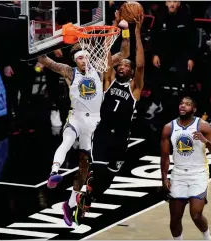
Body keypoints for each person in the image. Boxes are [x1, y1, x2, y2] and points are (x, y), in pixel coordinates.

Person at [38, 12, 130, 227]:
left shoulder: (99, 68)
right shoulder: (69, 72)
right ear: (74, 60)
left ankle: (70, 203)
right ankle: (54, 173)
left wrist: (124, 30)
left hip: (95, 124)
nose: (84, 59)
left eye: (86, 56)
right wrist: (53, 38)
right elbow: (43, 60)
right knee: (66, 142)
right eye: (80, 57)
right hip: (77, 118)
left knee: (85, 166)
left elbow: (124, 52)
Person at [73, 15, 144, 225]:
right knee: (100, 170)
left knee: (109, 179)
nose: (121, 66)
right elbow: (106, 56)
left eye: (126, 65)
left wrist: (135, 32)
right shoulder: (109, 81)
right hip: (103, 133)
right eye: (120, 65)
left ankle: (88, 200)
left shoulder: (134, 88)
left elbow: (140, 63)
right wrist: (116, 29)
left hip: (122, 138)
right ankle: (87, 193)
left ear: (131, 72)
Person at [160, 96, 211, 240]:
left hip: (198, 173)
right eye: (181, 103)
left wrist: (205, 141)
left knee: (195, 214)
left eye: (187, 104)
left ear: (193, 110)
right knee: (175, 219)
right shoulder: (169, 127)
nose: (183, 106)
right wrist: (164, 178)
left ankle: (208, 238)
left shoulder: (203, 126)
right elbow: (164, 156)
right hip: (178, 174)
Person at [147, 1, 197, 119]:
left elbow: (193, 41)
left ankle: (184, 108)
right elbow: (154, 38)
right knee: (152, 72)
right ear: (165, 3)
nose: (172, 4)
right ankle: (157, 102)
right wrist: (155, 54)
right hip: (164, 55)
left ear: (179, 3)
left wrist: (191, 58)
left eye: (175, 1)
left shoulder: (187, 18)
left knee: (185, 76)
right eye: (169, 1)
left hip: (182, 55)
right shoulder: (160, 17)